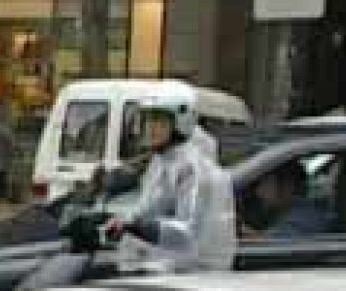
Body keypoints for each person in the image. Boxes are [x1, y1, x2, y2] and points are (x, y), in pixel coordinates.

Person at [99, 84, 236, 274]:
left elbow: (187, 235)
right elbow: (147, 209)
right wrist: (116, 222)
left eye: (159, 120)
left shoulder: (195, 170)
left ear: (181, 122)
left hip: (191, 278)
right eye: (147, 119)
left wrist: (135, 227)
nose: (149, 128)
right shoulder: (162, 161)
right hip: (157, 269)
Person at [242, 160, 330, 239]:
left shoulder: (305, 216)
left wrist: (245, 233)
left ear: (289, 185)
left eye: (265, 183)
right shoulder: (289, 210)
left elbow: (277, 244)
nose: (258, 190)